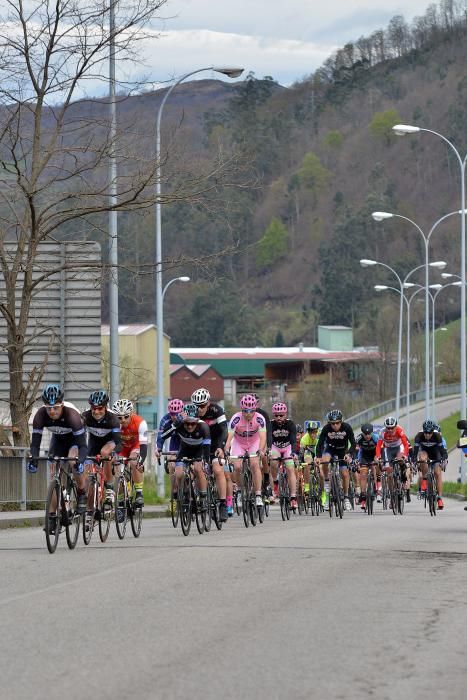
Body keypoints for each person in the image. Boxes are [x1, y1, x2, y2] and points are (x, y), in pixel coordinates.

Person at [28, 384, 88, 527]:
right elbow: (35, 444)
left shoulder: (72, 415)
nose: (52, 411)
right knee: (54, 474)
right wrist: (34, 459)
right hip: (58, 440)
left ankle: (81, 492)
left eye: (56, 407)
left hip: (74, 440)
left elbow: (83, 446)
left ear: (62, 404)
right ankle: (51, 516)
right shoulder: (40, 415)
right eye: (49, 408)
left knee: (73, 461)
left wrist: (80, 461)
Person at [191, 388, 229, 522]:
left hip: (215, 444)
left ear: (207, 403)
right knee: (195, 469)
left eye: (202, 406)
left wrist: (221, 447)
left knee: (218, 471)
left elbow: (225, 429)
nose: (199, 409)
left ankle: (223, 504)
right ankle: (196, 497)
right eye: (197, 406)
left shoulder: (216, 410)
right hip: (199, 445)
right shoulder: (191, 412)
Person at [224, 394, 267, 508]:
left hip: (254, 443)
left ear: (255, 409)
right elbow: (230, 437)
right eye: (245, 411)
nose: (248, 414)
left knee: (254, 464)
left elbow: (262, 437)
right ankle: (238, 490)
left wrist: (260, 450)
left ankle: (258, 495)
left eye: (251, 411)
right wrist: (227, 448)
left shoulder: (260, 418)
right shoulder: (236, 418)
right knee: (237, 466)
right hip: (239, 443)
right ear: (241, 410)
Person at [82, 389, 121, 508]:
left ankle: (109, 487)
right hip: (93, 443)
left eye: (100, 408)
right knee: (86, 469)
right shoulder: (85, 417)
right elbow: (79, 436)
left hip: (110, 442)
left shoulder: (112, 418)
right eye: (94, 408)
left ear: (105, 407)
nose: (96, 411)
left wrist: (114, 454)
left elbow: (118, 442)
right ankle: (89, 509)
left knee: (105, 453)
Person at [171, 403, 211, 510]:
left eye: (192, 424)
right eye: (187, 423)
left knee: (198, 469)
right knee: (178, 473)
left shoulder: (203, 427)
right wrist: (176, 424)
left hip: (199, 451)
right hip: (184, 450)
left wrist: (205, 461)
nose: (189, 426)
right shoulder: (179, 425)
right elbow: (163, 436)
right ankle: (184, 494)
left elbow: (207, 446)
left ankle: (203, 497)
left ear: (197, 420)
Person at [314, 409, 356, 511]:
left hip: (342, 450)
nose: (335, 426)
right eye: (332, 423)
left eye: (337, 423)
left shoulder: (347, 427)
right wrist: (318, 457)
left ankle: (346, 497)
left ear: (341, 421)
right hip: (330, 449)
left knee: (345, 474)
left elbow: (353, 444)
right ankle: (327, 483)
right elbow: (319, 444)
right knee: (325, 461)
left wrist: (349, 454)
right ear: (329, 423)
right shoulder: (326, 428)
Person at [112, 399, 148, 507]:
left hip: (135, 446)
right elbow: (114, 444)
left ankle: (139, 493)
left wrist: (140, 461)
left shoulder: (140, 423)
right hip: (122, 447)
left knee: (133, 462)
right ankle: (122, 500)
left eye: (126, 416)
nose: (122, 420)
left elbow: (144, 446)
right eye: (119, 417)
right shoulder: (114, 424)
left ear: (131, 414)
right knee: (118, 470)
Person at [155, 398, 184, 508]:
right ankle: (175, 492)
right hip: (175, 442)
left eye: (177, 414)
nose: (174, 416)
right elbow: (160, 436)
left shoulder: (186, 417)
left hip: (187, 442)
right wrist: (158, 448)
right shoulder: (165, 419)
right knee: (172, 465)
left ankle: (190, 491)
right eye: (172, 414)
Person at [413, 419, 447, 510]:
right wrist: (413, 461)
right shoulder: (419, 436)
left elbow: (443, 451)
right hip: (425, 452)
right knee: (422, 458)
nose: (428, 434)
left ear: (433, 431)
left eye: (430, 433)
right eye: (426, 432)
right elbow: (415, 452)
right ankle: (424, 479)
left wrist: (444, 459)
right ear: (423, 431)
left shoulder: (437, 436)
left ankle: (439, 498)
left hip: (436, 453)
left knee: (437, 473)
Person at [269, 402, 297, 510]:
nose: (279, 418)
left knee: (290, 468)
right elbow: (269, 439)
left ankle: (293, 498)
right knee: (273, 462)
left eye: (281, 415)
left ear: (285, 415)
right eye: (276, 415)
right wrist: (268, 450)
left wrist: (294, 453)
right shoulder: (271, 424)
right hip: (275, 447)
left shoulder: (290, 424)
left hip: (287, 447)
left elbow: (294, 440)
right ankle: (275, 482)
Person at [375, 417, 410, 501]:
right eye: (388, 428)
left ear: (395, 426)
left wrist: (404, 455)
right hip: (388, 449)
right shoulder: (382, 432)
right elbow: (378, 446)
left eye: (392, 428)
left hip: (399, 447)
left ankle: (403, 477)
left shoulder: (399, 430)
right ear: (385, 427)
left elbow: (405, 445)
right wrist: (378, 457)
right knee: (389, 472)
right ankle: (392, 495)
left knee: (400, 460)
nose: (390, 430)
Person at [355, 423, 379, 510]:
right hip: (364, 456)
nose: (368, 436)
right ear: (363, 433)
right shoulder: (359, 438)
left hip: (373, 455)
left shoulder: (375, 437)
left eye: (369, 434)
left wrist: (378, 457)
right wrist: (356, 460)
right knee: (363, 473)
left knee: (374, 468)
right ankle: (363, 493)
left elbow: (380, 447)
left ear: (372, 433)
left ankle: (375, 486)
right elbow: (355, 450)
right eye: (366, 434)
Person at [299, 420, 321, 499]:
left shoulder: (320, 436)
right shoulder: (304, 439)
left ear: (317, 431)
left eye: (314, 432)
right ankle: (307, 486)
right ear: (308, 432)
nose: (312, 434)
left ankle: (319, 482)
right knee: (307, 464)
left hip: (317, 452)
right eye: (310, 432)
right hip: (308, 452)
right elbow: (302, 452)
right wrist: (300, 462)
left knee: (320, 464)